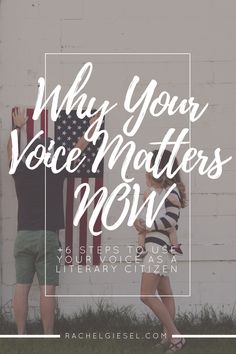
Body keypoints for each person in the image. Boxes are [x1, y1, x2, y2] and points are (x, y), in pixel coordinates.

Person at [7, 107, 99, 335]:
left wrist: (18, 127)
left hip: (23, 235)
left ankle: (20, 334)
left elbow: (10, 150)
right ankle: (48, 336)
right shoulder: (56, 169)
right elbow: (80, 147)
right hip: (47, 236)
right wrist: (92, 126)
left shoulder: (20, 169)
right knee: (47, 290)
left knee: (21, 287)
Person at [134, 149, 186, 353]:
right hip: (155, 246)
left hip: (159, 248)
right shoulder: (159, 193)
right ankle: (167, 338)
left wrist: (147, 226)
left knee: (146, 295)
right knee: (165, 295)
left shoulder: (171, 192)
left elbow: (171, 221)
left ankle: (176, 337)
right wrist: (141, 224)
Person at [136, 171, 183, 259]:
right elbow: (176, 201)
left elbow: (145, 204)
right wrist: (179, 205)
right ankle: (174, 247)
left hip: (148, 218)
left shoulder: (147, 192)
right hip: (160, 217)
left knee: (142, 233)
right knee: (172, 230)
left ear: (150, 181)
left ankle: (140, 249)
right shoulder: (166, 192)